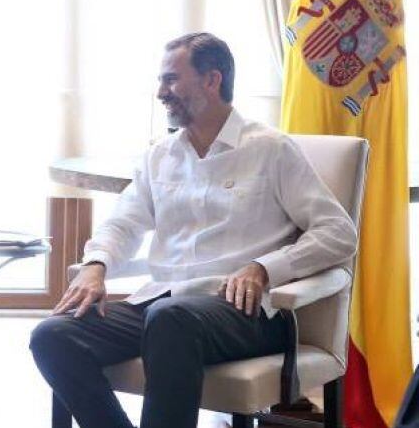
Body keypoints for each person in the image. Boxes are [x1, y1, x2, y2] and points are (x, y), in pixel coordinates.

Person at [29, 32, 358, 428]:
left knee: (171, 319)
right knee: (53, 335)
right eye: (161, 81)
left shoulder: (271, 149)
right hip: (164, 305)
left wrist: (264, 268)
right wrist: (96, 264)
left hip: (246, 313)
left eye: (171, 80)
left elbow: (338, 232)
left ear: (212, 80)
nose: (160, 92)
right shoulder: (159, 156)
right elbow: (123, 223)